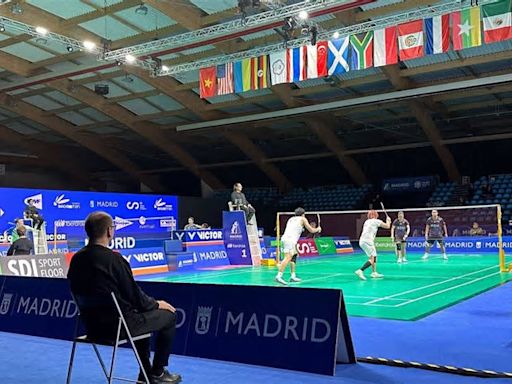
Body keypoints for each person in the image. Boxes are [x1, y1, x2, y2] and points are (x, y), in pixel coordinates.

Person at [67, 212, 181, 384]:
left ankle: (145, 375)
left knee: (139, 317)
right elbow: (137, 298)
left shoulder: (76, 259)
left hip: (91, 328)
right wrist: (157, 304)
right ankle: (157, 372)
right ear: (109, 231)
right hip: (117, 327)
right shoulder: (114, 260)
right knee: (169, 316)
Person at [275, 207, 321, 285]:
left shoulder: (291, 219)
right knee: (288, 257)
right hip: (290, 240)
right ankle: (279, 276)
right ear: (303, 214)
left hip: (286, 238)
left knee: (294, 255)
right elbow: (311, 230)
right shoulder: (303, 219)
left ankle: (293, 276)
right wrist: (318, 229)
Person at [355, 210, 391, 280]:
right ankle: (360, 270)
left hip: (362, 241)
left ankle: (374, 272)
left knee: (374, 256)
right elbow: (387, 226)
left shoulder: (367, 221)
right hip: (368, 241)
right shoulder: (376, 221)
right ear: (375, 215)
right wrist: (388, 220)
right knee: (372, 258)